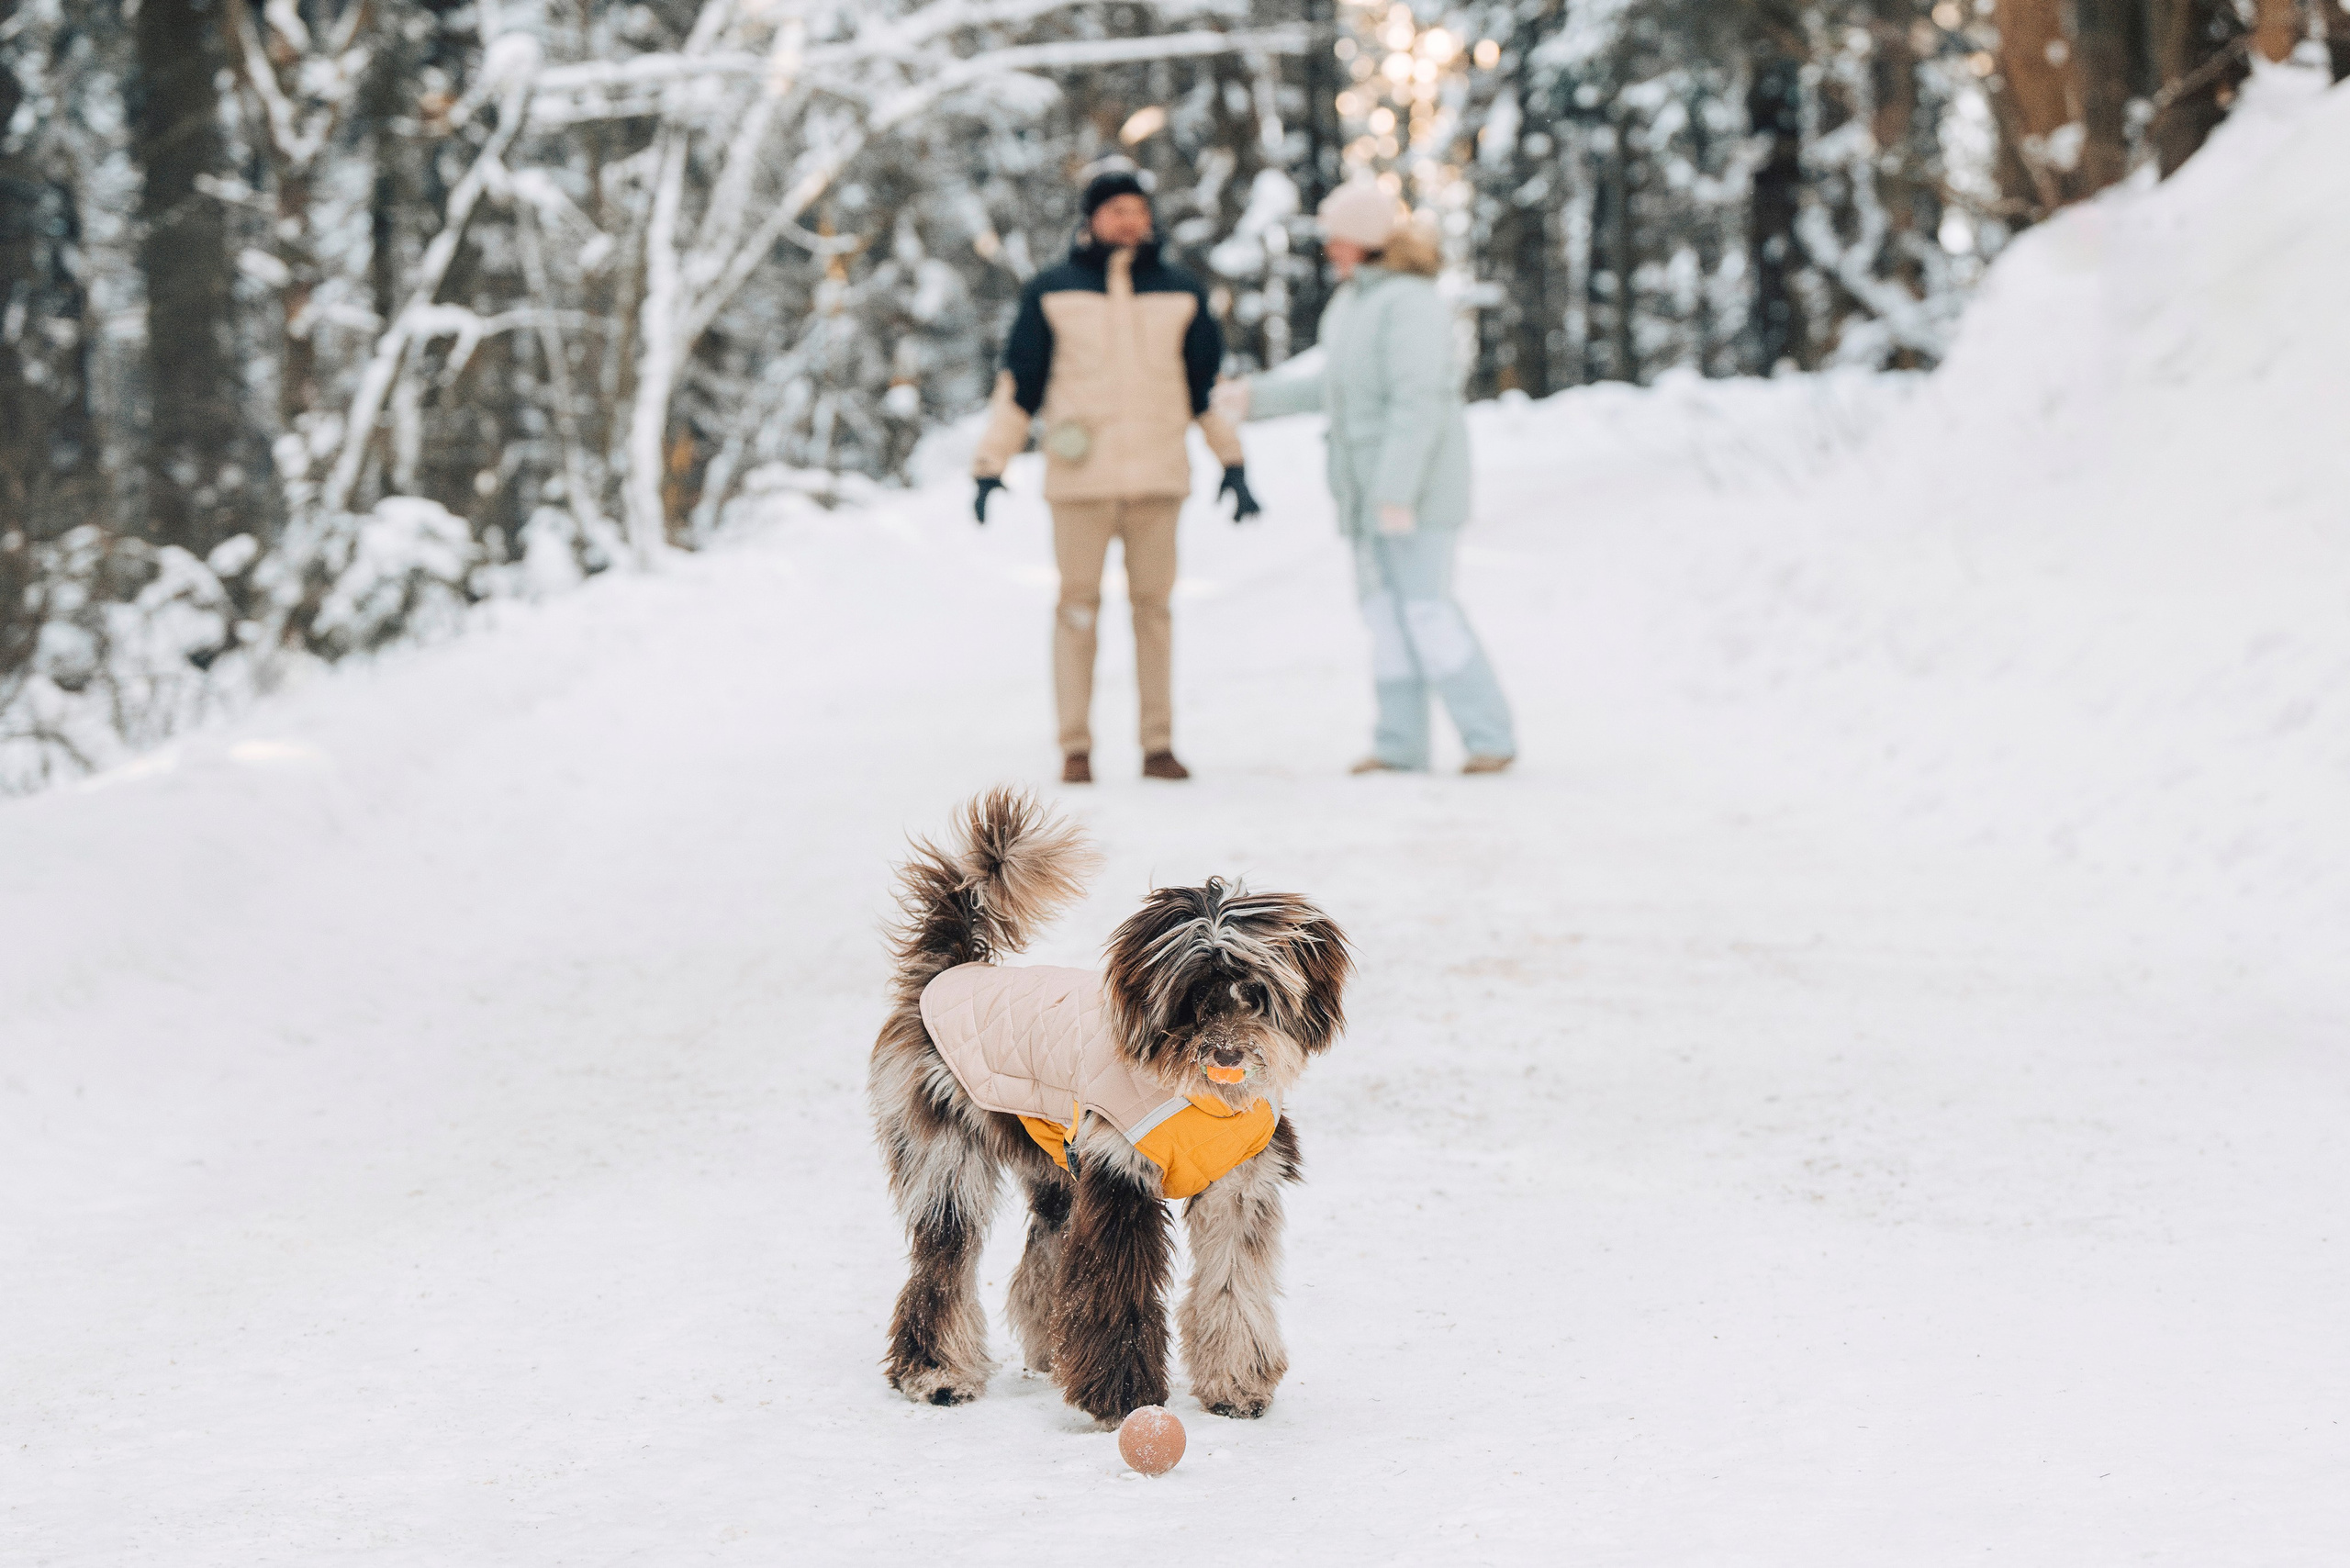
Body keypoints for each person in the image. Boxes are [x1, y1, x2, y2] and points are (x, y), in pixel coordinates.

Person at [972, 167, 1261, 785]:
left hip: (1159, 478)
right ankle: (1075, 747)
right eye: (1115, 210)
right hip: (1080, 483)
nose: (1128, 221)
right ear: (1091, 220)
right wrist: (990, 463)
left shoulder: (1181, 292)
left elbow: (1204, 390)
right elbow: (1019, 387)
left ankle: (1158, 744)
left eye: (1137, 210)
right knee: (1076, 610)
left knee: (1154, 613)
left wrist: (1232, 464)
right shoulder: (1052, 291)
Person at [1220, 180, 1516, 777]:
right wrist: (1254, 398)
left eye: (1337, 235)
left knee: (1428, 611)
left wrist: (1396, 492)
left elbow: (1420, 402)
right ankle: (1399, 745)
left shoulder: (1412, 303)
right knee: (1384, 615)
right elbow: (1333, 388)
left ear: (1364, 239)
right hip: (1363, 493)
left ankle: (1491, 737)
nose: (1329, 246)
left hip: (1416, 495)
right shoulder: (1352, 302)